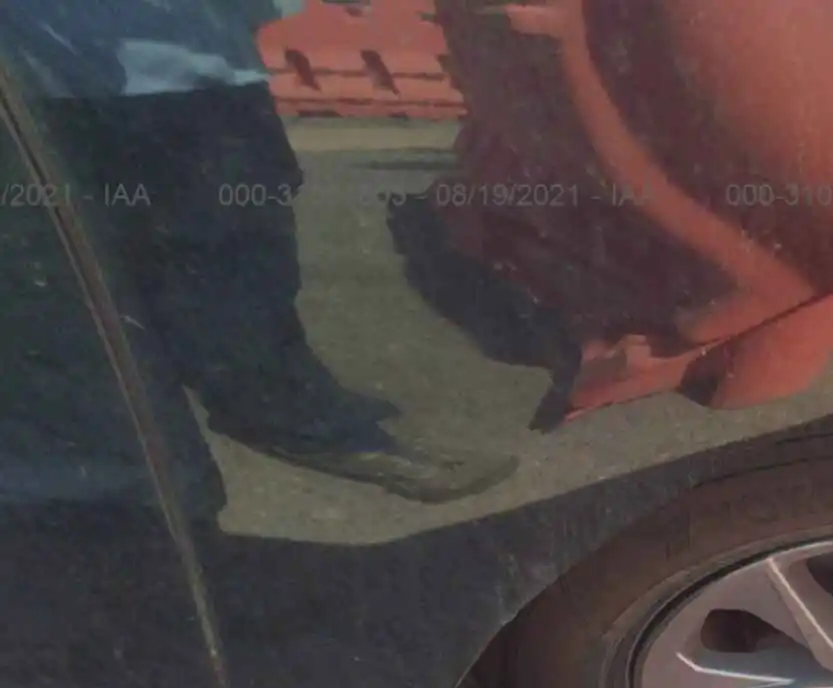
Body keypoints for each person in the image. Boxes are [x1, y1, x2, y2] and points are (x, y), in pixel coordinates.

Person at [0, 0, 514, 503]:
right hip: (53, 85)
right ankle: (158, 484)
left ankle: (280, 413)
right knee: (80, 312)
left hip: (186, 69)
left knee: (229, 276)